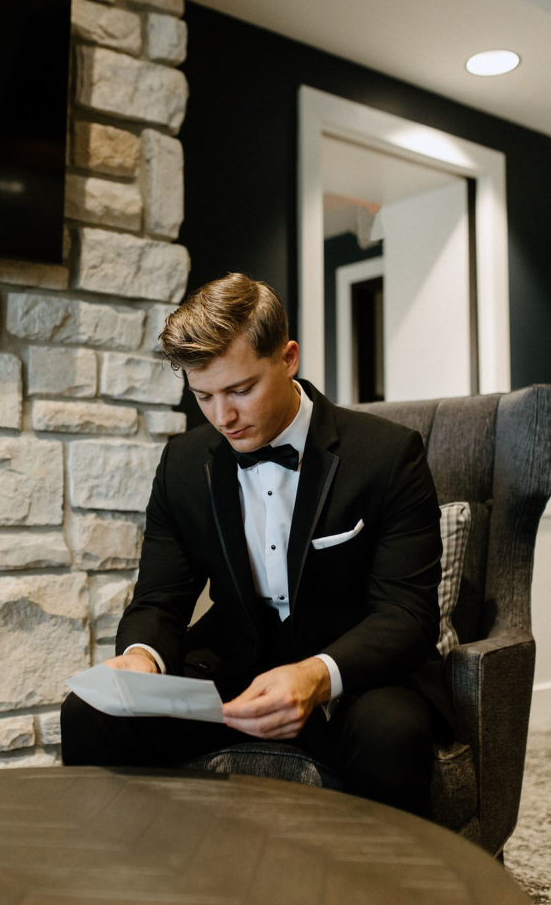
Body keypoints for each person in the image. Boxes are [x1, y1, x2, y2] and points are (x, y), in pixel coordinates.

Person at [61, 273, 452, 815]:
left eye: (240, 390)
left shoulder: (388, 455)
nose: (223, 417)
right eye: (204, 396)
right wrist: (141, 658)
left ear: (288, 358)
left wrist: (317, 676)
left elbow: (407, 615)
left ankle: (384, 898)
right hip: (233, 667)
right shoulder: (183, 464)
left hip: (353, 672)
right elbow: (160, 600)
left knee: (391, 735)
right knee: (90, 712)